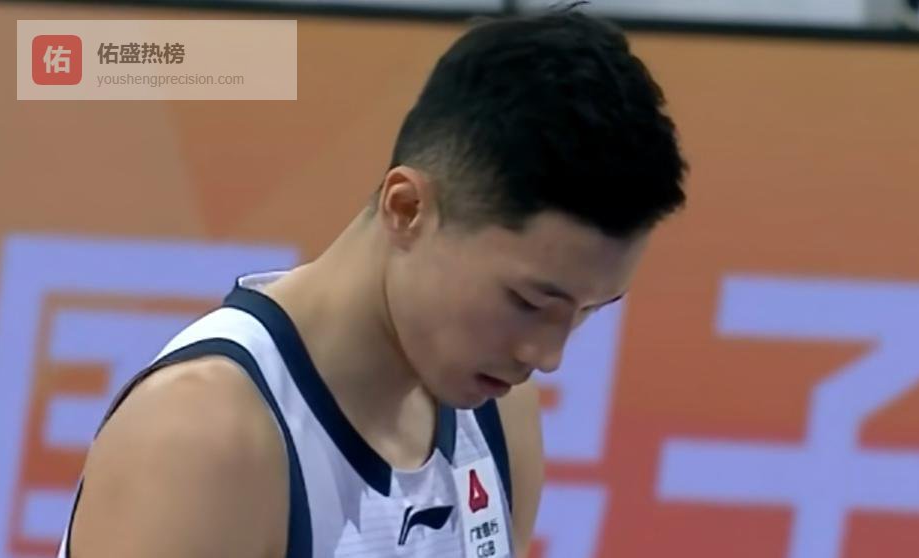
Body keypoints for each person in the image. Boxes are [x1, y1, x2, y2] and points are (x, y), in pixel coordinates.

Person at [58, 6, 686, 558]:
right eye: (527, 302)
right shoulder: (205, 438)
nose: (546, 356)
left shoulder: (500, 417)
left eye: (588, 311)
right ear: (406, 208)